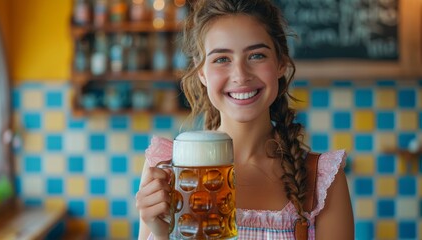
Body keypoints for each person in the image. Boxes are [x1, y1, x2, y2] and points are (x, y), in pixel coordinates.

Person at [135, 0, 354, 239]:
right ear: (202, 73)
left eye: (256, 55)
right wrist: (158, 233)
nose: (240, 75)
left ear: (280, 63)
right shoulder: (167, 168)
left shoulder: (321, 179)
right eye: (221, 59)